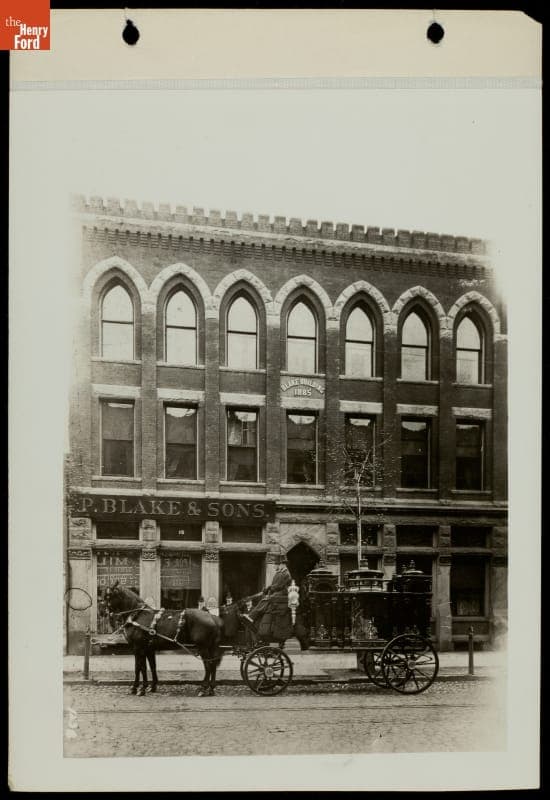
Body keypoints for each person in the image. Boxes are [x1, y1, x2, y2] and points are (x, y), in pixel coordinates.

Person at [242, 554, 292, 626]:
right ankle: (253, 617)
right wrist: (267, 590)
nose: (276, 566)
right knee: (266, 598)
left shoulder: (286, 574)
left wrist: (268, 589)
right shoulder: (281, 573)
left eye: (277, 564)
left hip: (283, 593)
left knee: (266, 599)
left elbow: (278, 586)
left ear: (283, 564)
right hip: (279, 592)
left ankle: (251, 616)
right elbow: (275, 585)